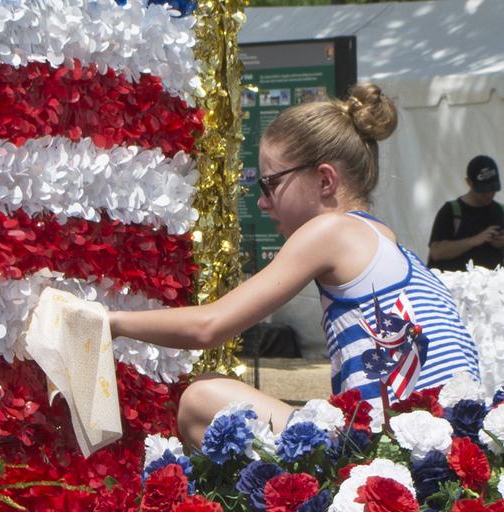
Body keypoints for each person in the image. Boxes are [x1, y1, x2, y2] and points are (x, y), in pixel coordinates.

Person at [108, 84, 481, 449]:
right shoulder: (386, 241)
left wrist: (110, 321)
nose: (262, 203)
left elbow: (208, 327)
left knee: (200, 399)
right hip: (453, 452)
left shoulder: (332, 230)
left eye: (269, 184)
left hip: (402, 457)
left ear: (324, 179)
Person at [427, 155, 504, 271]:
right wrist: (475, 240)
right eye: (483, 191)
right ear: (469, 182)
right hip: (456, 285)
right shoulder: (451, 211)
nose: (489, 194)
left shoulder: (500, 211)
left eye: (493, 189)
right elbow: (436, 252)